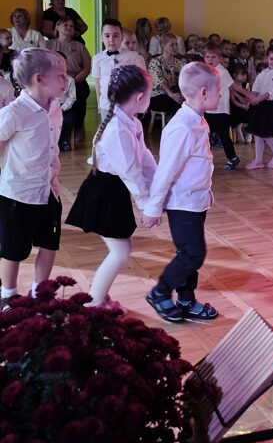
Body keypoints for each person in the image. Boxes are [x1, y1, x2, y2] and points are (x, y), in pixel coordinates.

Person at [66, 66, 156, 310]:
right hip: (103, 192)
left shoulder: (132, 123)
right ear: (140, 97)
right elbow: (130, 171)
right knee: (120, 252)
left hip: (113, 190)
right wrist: (146, 204)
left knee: (122, 250)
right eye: (150, 93)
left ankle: (98, 298)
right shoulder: (117, 129)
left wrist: (158, 186)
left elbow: (144, 159)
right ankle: (94, 302)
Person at [143, 62, 221, 323]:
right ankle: (160, 292)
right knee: (193, 254)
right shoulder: (182, 127)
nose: (221, 94)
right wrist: (153, 208)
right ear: (204, 93)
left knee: (188, 253)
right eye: (218, 90)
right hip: (182, 203)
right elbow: (165, 171)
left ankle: (186, 300)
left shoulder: (198, 121)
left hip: (196, 201)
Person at [0, 47, 66, 309]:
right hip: (19, 193)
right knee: (13, 249)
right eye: (60, 75)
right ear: (39, 79)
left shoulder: (56, 108)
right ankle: (8, 294)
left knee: (50, 242)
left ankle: (41, 292)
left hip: (49, 189)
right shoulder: (15, 112)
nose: (66, 80)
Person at [46, 18, 92, 140]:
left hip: (75, 80)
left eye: (71, 26)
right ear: (57, 27)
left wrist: (73, 81)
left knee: (81, 93)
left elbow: (87, 67)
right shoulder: (48, 44)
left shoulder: (79, 46)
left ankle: (78, 128)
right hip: (53, 81)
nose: (69, 27)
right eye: (65, 25)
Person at [93, 19, 145, 120]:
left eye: (116, 36)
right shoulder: (97, 58)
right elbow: (98, 81)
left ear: (122, 38)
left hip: (128, 105)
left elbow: (143, 80)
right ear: (101, 38)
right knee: (107, 129)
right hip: (106, 105)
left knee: (130, 129)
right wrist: (99, 103)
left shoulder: (133, 56)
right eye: (107, 36)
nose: (111, 40)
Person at [245, 46, 273, 170]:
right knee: (258, 133)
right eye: (271, 59)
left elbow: (270, 93)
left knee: (266, 133)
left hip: (272, 106)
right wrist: (249, 98)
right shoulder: (263, 73)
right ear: (266, 58)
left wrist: (256, 99)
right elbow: (256, 89)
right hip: (261, 105)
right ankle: (258, 160)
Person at [204, 44, 241, 170]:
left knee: (224, 135)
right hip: (208, 110)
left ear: (219, 59)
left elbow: (233, 86)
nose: (210, 59)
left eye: (213, 57)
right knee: (205, 135)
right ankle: (205, 159)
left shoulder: (222, 71)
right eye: (207, 57)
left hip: (220, 111)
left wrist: (246, 96)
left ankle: (233, 158)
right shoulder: (207, 71)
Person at [148, 33, 186, 115]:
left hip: (175, 93)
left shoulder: (180, 63)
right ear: (163, 46)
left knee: (190, 102)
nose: (175, 47)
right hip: (157, 95)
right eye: (172, 45)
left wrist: (183, 94)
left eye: (176, 44)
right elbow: (160, 82)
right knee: (177, 105)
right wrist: (171, 94)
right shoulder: (155, 62)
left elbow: (186, 79)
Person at [54, 51, 77, 152]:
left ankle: (64, 139)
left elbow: (72, 97)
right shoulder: (46, 78)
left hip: (64, 105)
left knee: (69, 120)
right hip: (50, 106)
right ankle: (54, 141)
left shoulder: (70, 80)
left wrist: (62, 108)